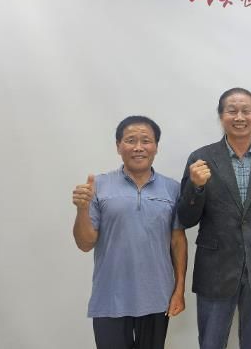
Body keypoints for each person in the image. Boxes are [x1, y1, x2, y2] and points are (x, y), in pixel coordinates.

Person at [176, 88, 251, 349]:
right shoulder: (200, 159)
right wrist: (196, 187)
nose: (239, 117)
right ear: (221, 116)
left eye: (246, 110)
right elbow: (186, 218)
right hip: (214, 270)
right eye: (232, 110)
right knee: (211, 343)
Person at [71, 115, 187, 349]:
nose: (138, 147)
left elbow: (178, 241)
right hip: (109, 298)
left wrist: (179, 289)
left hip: (157, 297)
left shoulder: (172, 188)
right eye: (131, 140)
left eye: (146, 140)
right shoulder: (99, 186)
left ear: (156, 147)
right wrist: (82, 209)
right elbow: (85, 243)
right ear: (118, 146)